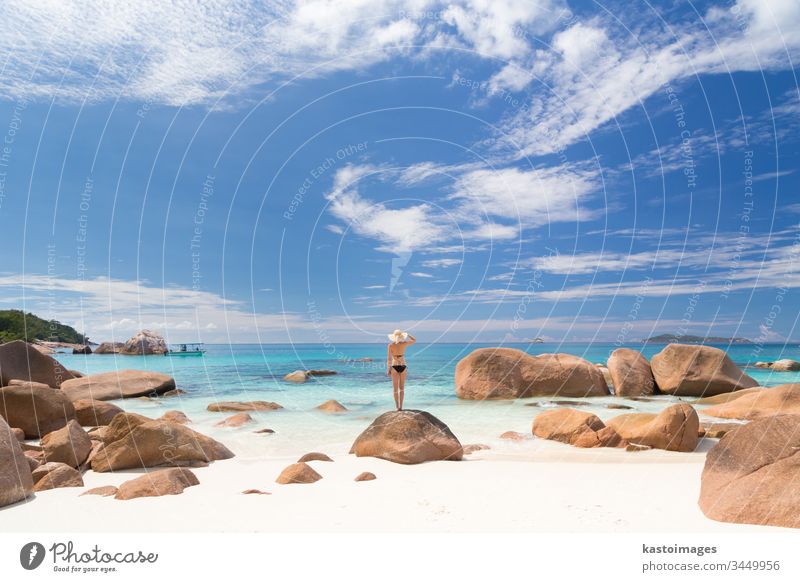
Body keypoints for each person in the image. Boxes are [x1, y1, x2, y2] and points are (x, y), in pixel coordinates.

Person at [387, 329, 416, 410]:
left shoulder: (390, 345)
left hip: (394, 366)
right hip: (403, 365)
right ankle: (401, 407)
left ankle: (397, 407)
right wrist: (407, 334)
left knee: (395, 389)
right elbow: (414, 340)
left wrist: (388, 369)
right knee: (402, 388)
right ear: (401, 337)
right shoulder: (404, 344)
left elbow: (389, 358)